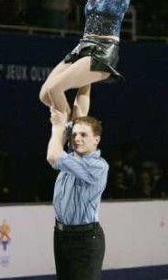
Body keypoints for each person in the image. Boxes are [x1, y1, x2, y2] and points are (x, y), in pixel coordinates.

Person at [47, 107, 109, 280]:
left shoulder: (98, 166)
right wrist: (86, 81)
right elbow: (80, 107)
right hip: (61, 235)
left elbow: (52, 156)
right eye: (74, 135)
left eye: (83, 135)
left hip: (85, 239)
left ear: (97, 139)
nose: (77, 139)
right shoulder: (72, 158)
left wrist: (57, 126)